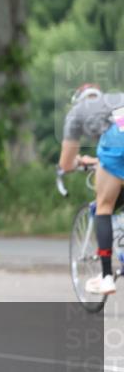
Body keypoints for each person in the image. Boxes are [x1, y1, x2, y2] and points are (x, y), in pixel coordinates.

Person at [59, 83, 124, 295]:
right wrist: (101, 161)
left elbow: (66, 163)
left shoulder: (75, 114)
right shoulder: (115, 100)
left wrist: (78, 161)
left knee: (104, 206)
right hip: (116, 143)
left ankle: (106, 277)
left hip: (114, 147)